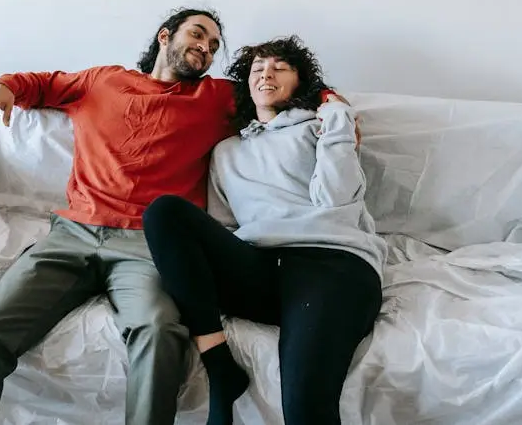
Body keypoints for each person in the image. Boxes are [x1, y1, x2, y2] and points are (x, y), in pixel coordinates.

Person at [0, 8, 344, 425]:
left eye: (214, 47)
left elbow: (285, 87)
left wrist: (333, 106)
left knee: (161, 332)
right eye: (198, 35)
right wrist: (4, 86)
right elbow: (41, 84)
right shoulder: (101, 81)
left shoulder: (217, 98)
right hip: (72, 234)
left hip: (146, 248)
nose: (206, 48)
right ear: (165, 36)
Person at [141, 35, 386, 425]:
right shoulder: (227, 152)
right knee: (164, 212)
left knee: (306, 409)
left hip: (330, 266)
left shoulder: (316, 129)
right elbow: (224, 227)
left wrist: (338, 115)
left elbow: (338, 200)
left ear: (298, 82)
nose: (266, 74)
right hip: (259, 268)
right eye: (257, 68)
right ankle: (219, 364)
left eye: (279, 67)